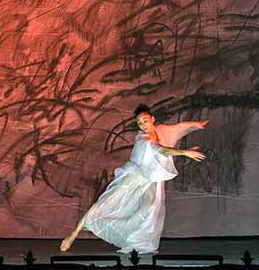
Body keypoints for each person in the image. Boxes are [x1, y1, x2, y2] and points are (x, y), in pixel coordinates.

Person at [60, 104, 208, 254]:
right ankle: (73, 235)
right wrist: (184, 152)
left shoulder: (161, 130)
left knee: (149, 210)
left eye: (145, 121)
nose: (142, 125)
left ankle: (134, 239)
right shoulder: (143, 139)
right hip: (134, 177)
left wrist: (196, 125)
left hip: (151, 180)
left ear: (152, 119)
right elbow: (161, 150)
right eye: (139, 123)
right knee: (106, 204)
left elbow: (178, 128)